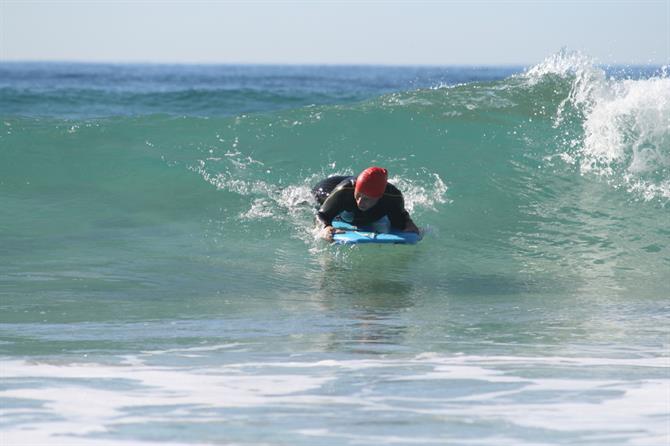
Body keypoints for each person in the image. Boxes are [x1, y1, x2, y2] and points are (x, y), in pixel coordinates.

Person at [312, 167, 420, 241]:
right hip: (327, 188)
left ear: (379, 197)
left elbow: (402, 218)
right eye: (358, 195)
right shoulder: (345, 191)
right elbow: (321, 215)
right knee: (320, 202)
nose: (360, 202)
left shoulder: (392, 197)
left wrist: (407, 224)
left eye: (367, 199)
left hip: (362, 188)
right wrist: (325, 226)